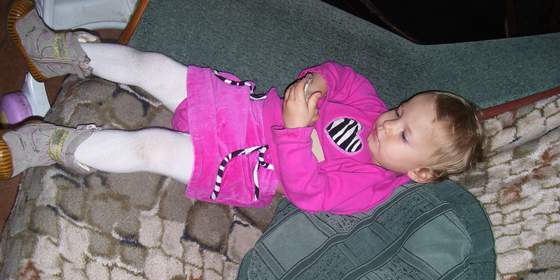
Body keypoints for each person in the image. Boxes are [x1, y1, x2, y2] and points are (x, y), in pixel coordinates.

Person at [0, 0, 484, 215]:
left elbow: (309, 193)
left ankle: (48, 144)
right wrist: (316, 82)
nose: (388, 123)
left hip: (242, 167)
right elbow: (342, 75)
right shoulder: (370, 106)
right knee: (155, 66)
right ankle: (58, 53)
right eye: (400, 112)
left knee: (153, 149)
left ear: (420, 172)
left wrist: (296, 131)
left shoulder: (369, 186)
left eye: (403, 135)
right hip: (240, 111)